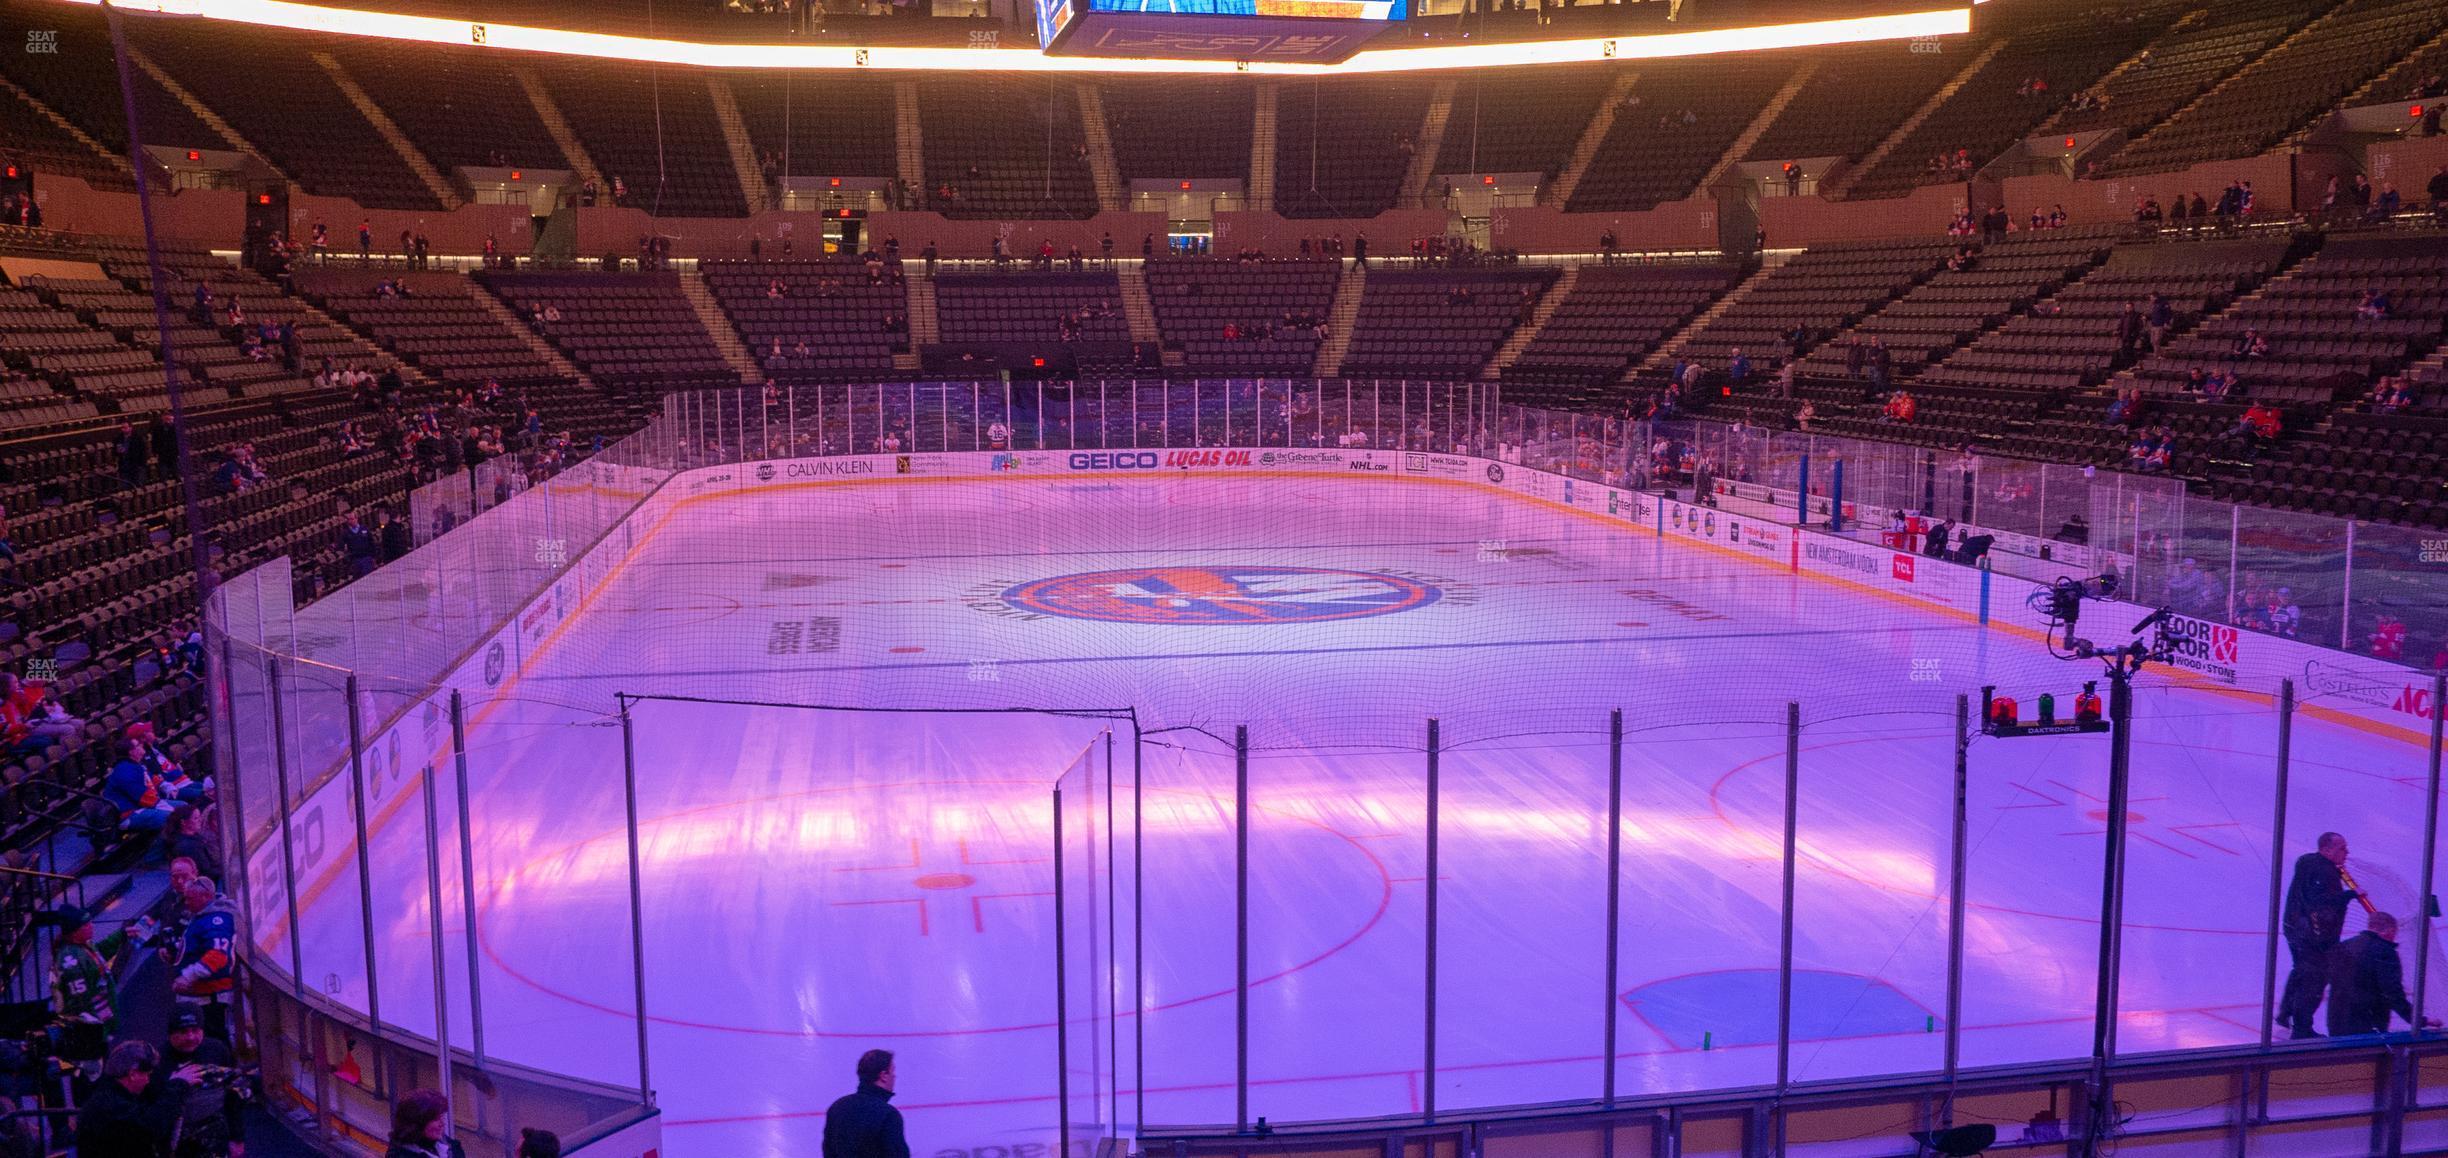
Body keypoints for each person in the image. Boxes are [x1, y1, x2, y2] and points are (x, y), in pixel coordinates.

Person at [2280, 832, 2356, 1038]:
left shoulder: (2306, 861)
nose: (2346, 853)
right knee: (2314, 981)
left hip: (2293, 927)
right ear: (2327, 849)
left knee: (2301, 971)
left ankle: (2285, 1012)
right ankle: (2302, 1029)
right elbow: (2322, 904)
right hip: (2311, 936)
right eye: (2342, 848)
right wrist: (2349, 895)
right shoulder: (2325, 873)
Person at [78, 1040, 205, 1157]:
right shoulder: (109, 1105)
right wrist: (178, 1085)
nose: (148, 1081)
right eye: (148, 1075)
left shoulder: (108, 1094)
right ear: (133, 1074)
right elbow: (149, 1129)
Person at [2328, 912, 2442, 1036]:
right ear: (2390, 930)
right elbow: (2392, 991)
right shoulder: (2384, 951)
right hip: (2368, 1024)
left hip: (2337, 1023)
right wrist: (2418, 1020)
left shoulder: (2343, 946)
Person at [158, 1006, 244, 1156]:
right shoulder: (158, 1061)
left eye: (195, 1030)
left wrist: (237, 1137)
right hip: (177, 1140)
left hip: (215, 1132)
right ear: (171, 1034)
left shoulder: (217, 1050)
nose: (190, 1037)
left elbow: (234, 1094)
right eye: (183, 1032)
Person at [823, 1049, 910, 1158]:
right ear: (884, 1076)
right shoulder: (888, 1115)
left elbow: (828, 1151)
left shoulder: (837, 1107)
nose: (895, 1077)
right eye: (893, 1072)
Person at [387, 1089, 466, 1158]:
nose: (442, 1123)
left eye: (441, 1117)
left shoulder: (451, 1147)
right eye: (435, 1119)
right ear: (417, 1123)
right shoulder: (399, 1155)